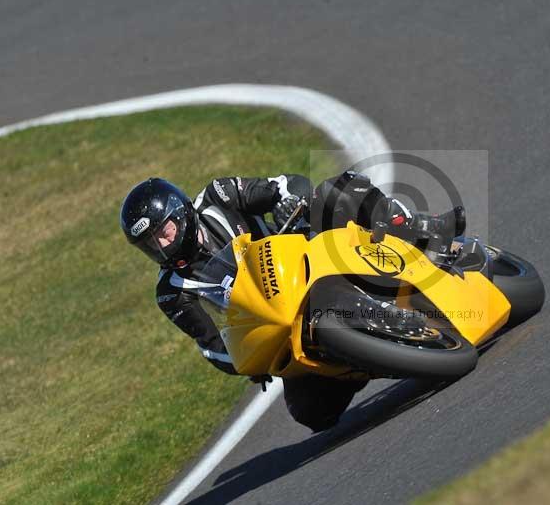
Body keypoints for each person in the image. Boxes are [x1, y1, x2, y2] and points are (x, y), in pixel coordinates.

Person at [119, 171, 465, 432]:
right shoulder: (172, 293)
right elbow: (213, 347)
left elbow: (286, 185)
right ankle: (358, 361)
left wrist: (286, 200)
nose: (162, 246)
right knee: (311, 414)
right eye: (150, 244)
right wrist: (248, 358)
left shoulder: (217, 196)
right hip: (286, 325)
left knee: (336, 191)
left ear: (180, 214)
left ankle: (424, 230)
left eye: (163, 232)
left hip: (308, 256)